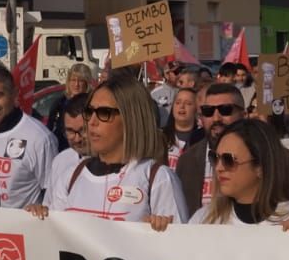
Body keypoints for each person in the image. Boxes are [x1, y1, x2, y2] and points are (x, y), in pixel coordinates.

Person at [32, 75, 184, 221]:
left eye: (104, 113)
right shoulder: (71, 175)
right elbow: (53, 237)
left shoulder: (158, 179)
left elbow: (178, 243)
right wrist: (38, 217)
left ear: (131, 118)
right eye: (89, 112)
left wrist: (158, 232)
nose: (92, 122)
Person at [174, 117, 289, 229]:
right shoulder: (204, 219)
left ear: (260, 166)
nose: (218, 167)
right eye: (215, 158)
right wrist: (159, 231)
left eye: (228, 160)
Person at [0, 59, 58, 208]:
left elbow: (53, 194)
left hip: (21, 229)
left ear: (14, 94)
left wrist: (42, 207)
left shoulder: (40, 138)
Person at [174, 81, 248, 216]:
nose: (216, 118)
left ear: (243, 115)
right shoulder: (187, 160)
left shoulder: (264, 157)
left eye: (225, 110)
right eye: (208, 111)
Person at [49, 93, 93, 189]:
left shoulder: (113, 163)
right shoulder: (60, 160)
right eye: (70, 131)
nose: (77, 139)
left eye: (83, 130)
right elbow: (50, 202)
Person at [45, 62, 94, 147]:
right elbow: (49, 130)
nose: (76, 84)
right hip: (62, 147)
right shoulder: (60, 103)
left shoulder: (93, 103)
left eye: (81, 81)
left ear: (87, 83)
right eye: (73, 80)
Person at [161, 86, 204, 168]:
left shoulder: (203, 138)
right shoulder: (160, 136)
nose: (182, 106)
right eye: (178, 102)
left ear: (196, 109)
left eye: (188, 103)